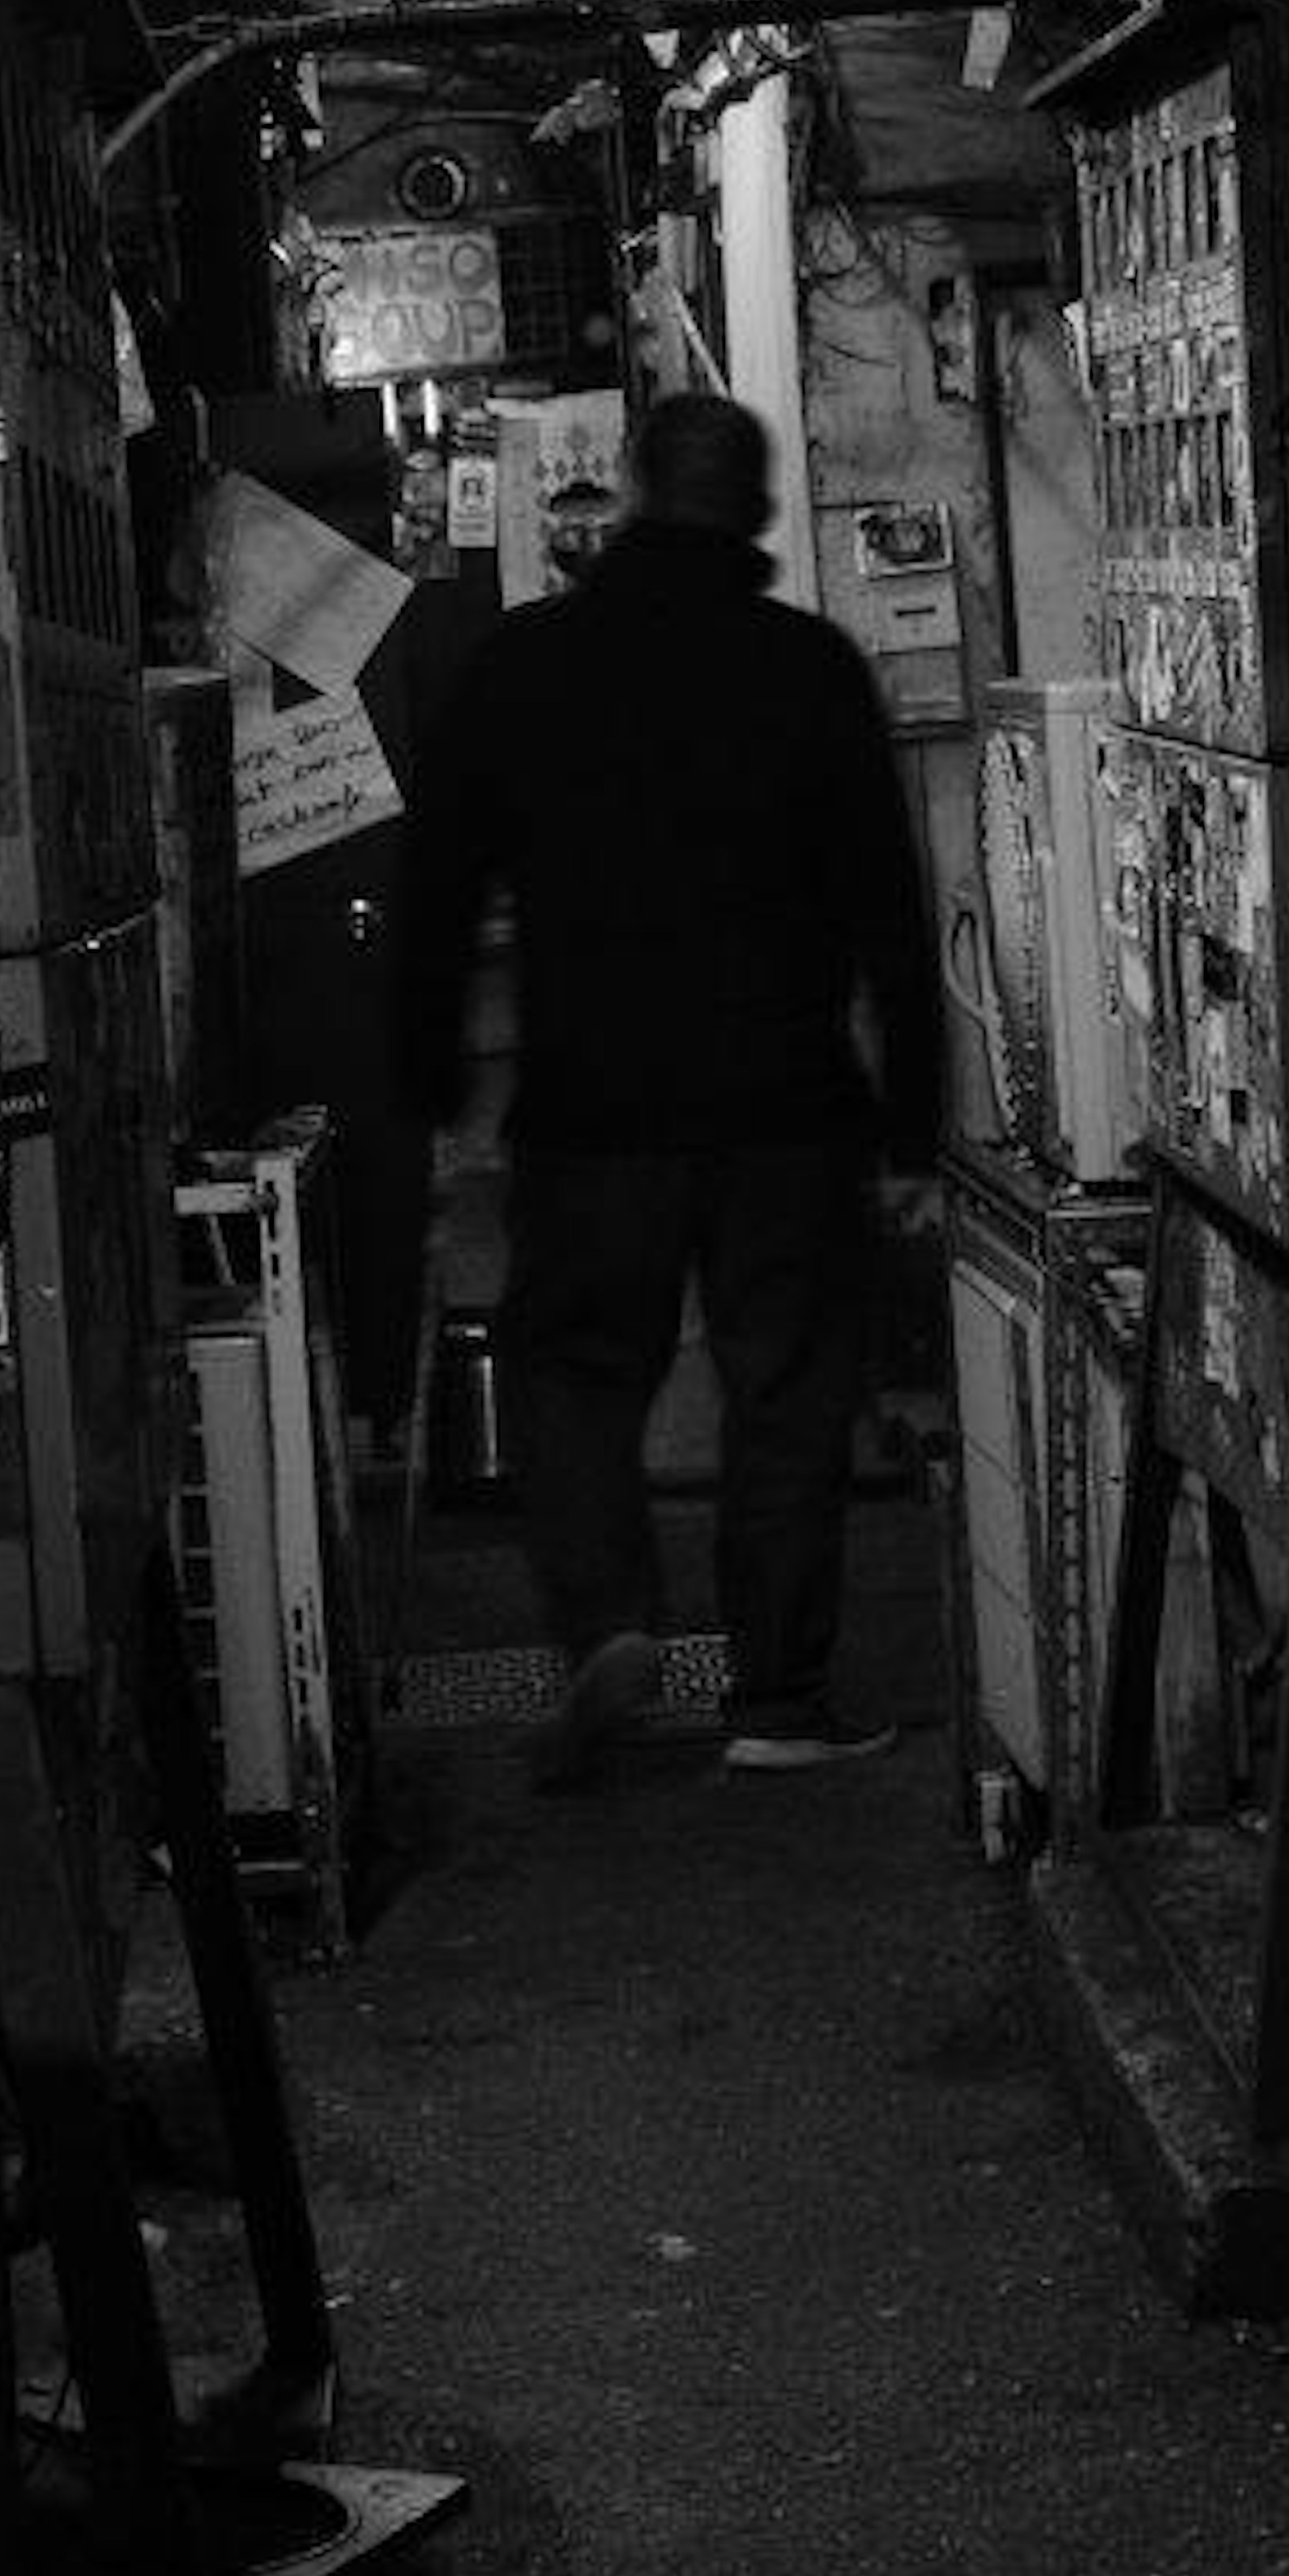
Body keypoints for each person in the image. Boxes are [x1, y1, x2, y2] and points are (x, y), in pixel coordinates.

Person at [388, 387, 945, 1780]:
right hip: (784, 1109)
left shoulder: (528, 666)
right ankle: (775, 1696)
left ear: (632, 490)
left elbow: (437, 886)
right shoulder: (808, 668)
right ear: (756, 511)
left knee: (576, 1377)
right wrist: (915, 1120)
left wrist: (427, 1067)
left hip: (595, 1110)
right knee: (789, 1391)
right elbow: (891, 905)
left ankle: (608, 1630)